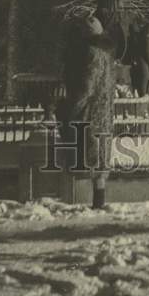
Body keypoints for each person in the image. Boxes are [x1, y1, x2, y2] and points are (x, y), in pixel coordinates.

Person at [58, 11, 116, 208]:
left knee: (84, 156)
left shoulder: (91, 53)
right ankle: (99, 201)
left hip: (89, 113)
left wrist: (71, 108)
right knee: (100, 162)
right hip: (104, 113)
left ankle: (76, 201)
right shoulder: (107, 53)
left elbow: (87, 86)